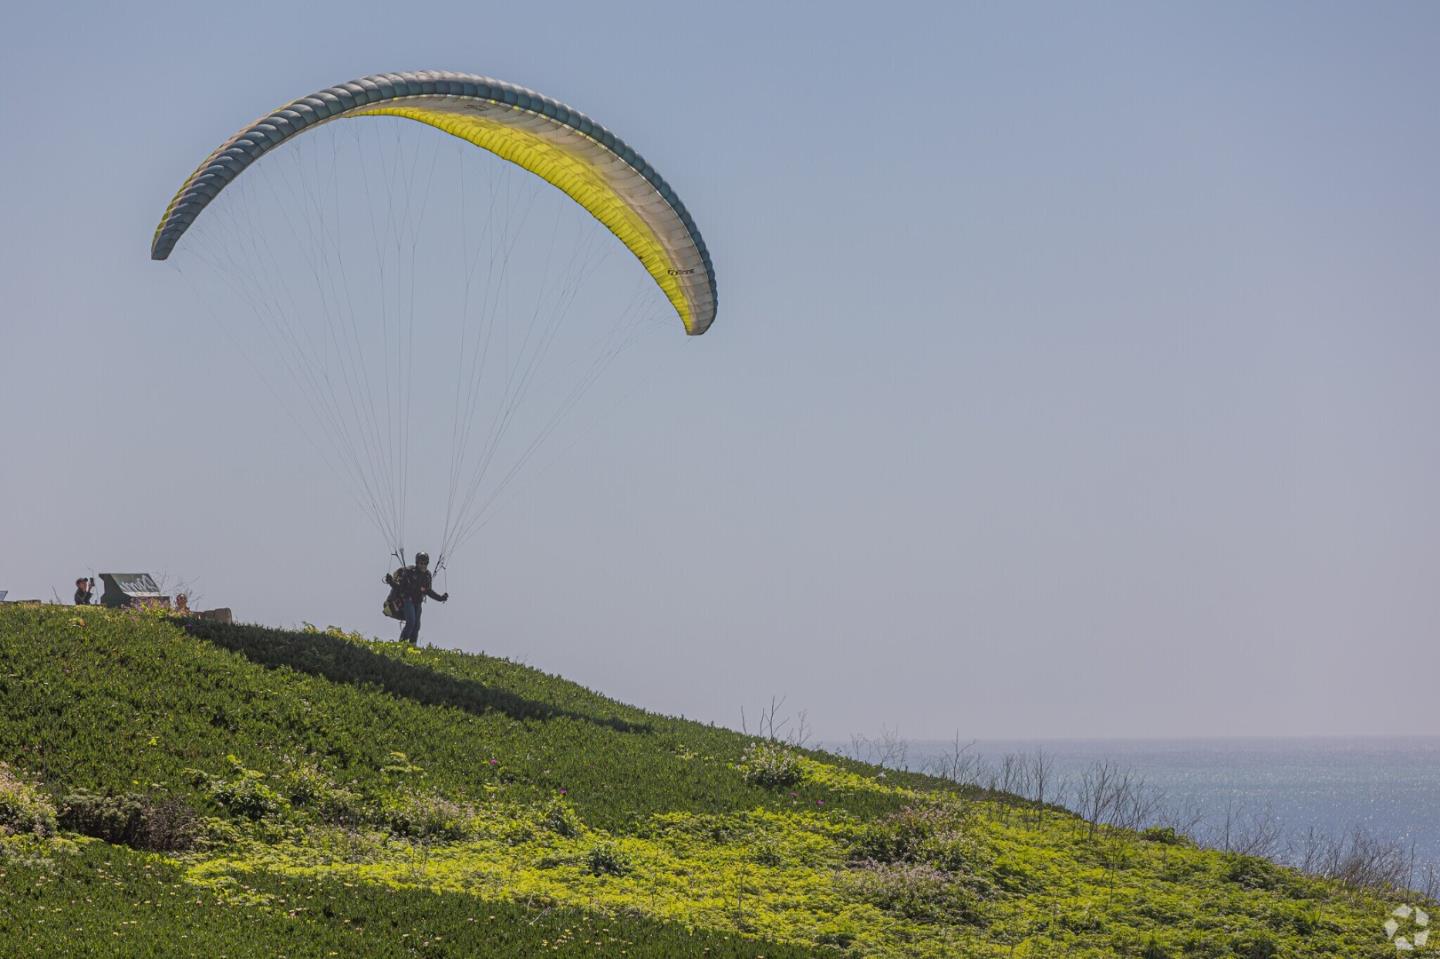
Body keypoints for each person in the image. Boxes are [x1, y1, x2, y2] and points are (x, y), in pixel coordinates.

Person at [384, 552, 448, 645]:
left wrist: (441, 598)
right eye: (421, 563)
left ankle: (412, 645)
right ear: (417, 563)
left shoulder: (427, 576)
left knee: (416, 626)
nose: (423, 565)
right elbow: (399, 587)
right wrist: (390, 582)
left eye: (425, 563)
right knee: (411, 623)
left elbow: (429, 591)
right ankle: (401, 644)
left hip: (417, 603)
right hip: (407, 600)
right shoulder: (409, 572)